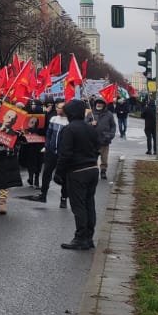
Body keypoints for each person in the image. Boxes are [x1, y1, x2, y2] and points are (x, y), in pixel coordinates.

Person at [56, 99, 103, 250]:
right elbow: (98, 146)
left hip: (77, 171)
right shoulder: (90, 128)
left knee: (79, 206)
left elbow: (65, 154)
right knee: (89, 203)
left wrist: (59, 172)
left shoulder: (69, 129)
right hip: (92, 169)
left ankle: (80, 237)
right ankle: (89, 237)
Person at [91, 97, 117, 178]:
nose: (99, 104)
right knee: (92, 158)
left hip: (104, 140)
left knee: (104, 158)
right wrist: (90, 123)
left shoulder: (109, 114)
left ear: (104, 104)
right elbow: (84, 124)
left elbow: (113, 126)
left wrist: (110, 136)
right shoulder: (91, 114)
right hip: (93, 141)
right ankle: (93, 172)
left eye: (101, 103)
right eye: (97, 103)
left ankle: (103, 171)